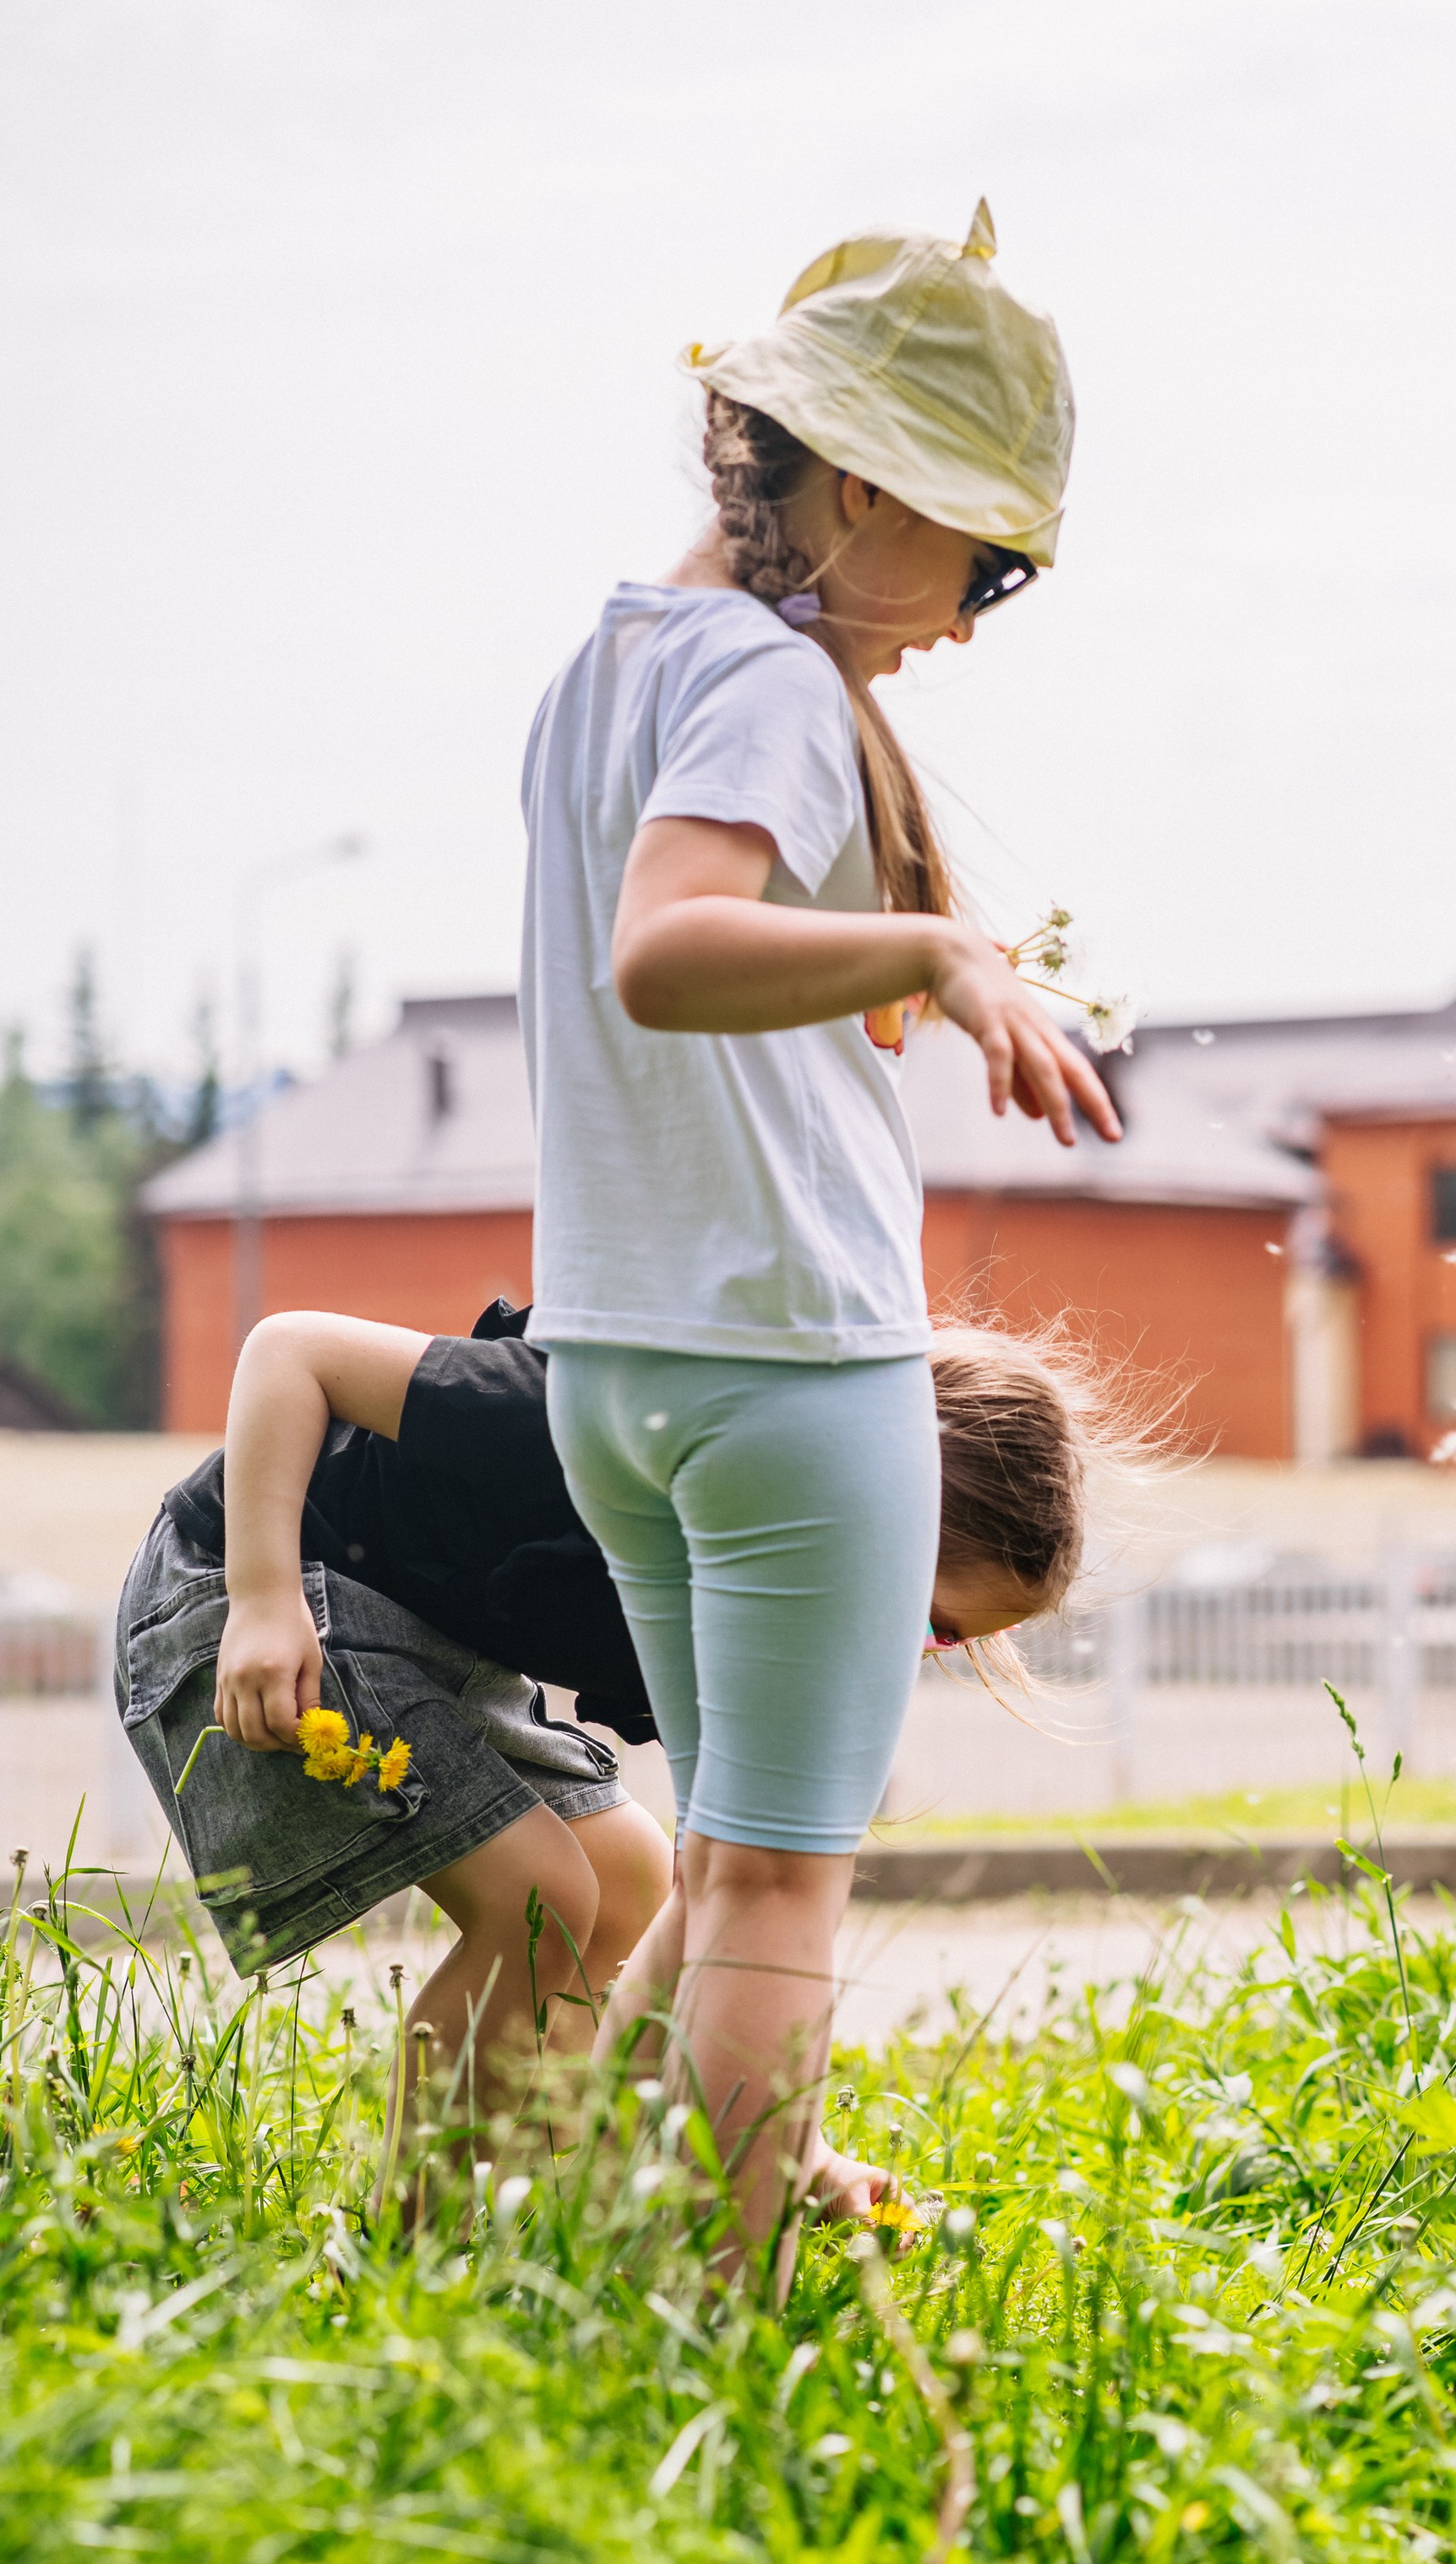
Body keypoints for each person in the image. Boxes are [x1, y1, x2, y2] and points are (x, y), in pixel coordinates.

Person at [521, 199, 1122, 2272]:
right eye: (977, 564)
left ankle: (606, 2249)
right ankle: (742, 2296)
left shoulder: (602, 668)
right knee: (780, 1884)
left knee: (716, 1857)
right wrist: (947, 954)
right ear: (864, 487)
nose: (962, 622)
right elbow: (665, 953)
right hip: (787, 1367)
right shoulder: (765, 681)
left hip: (616, 1366)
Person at [118, 1303, 1111, 2166]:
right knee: (541, 1899)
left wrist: (791, 2144)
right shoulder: (602, 1428)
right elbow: (291, 1350)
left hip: (422, 1643)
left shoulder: (752, 1606)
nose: (920, 1653)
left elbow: (731, 1881)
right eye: (930, 1620)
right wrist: (262, 1592)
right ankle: (407, 2249)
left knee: (629, 1877)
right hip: (235, 1592)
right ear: (864, 1500)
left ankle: (524, 2185)